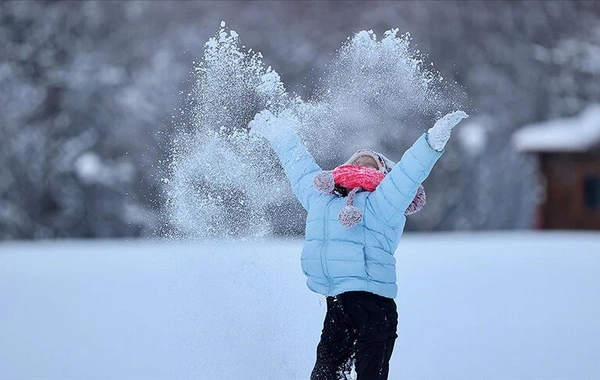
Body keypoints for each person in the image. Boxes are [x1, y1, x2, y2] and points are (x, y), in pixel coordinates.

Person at [248, 109, 468, 380]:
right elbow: (300, 167)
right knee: (324, 374)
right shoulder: (322, 199)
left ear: (384, 174)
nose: (363, 167)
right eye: (357, 163)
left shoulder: (384, 201)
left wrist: (431, 142)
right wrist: (279, 135)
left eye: (371, 165)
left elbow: (408, 174)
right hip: (338, 303)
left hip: (375, 305)